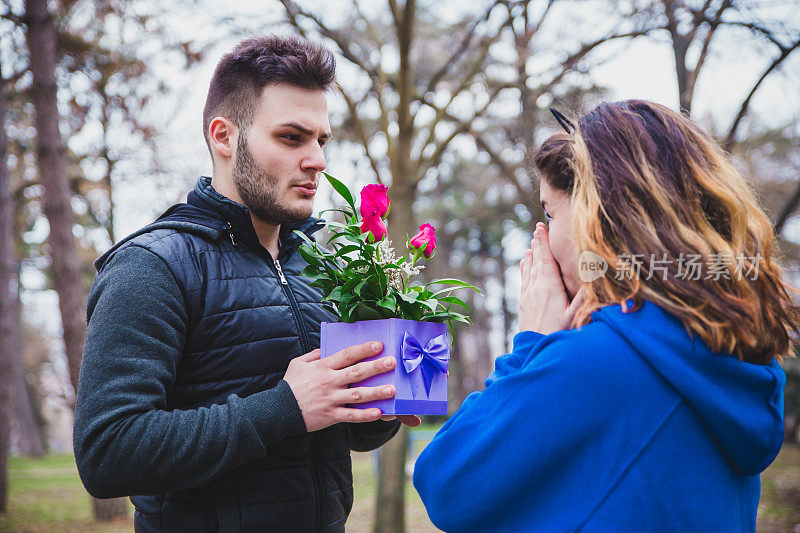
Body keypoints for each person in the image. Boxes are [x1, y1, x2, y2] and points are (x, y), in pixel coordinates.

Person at [73, 35, 418, 533]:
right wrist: (284, 407)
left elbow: (336, 434)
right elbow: (107, 454)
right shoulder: (151, 268)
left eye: (322, 140)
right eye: (292, 137)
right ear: (224, 137)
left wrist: (384, 403)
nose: (317, 159)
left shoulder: (320, 266)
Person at [413, 100, 800, 532]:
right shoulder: (733, 355)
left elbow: (446, 483)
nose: (540, 237)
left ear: (595, 217)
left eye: (549, 213)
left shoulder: (597, 364)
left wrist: (531, 346)